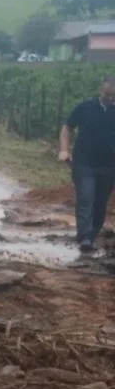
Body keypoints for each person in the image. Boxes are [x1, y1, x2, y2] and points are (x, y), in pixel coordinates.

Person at [58, 75, 115, 254]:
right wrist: (64, 150)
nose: (111, 99)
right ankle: (85, 236)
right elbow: (67, 128)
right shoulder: (85, 108)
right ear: (101, 90)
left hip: (109, 165)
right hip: (84, 163)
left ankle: (91, 234)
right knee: (86, 197)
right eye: (108, 94)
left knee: (100, 202)